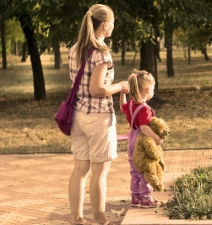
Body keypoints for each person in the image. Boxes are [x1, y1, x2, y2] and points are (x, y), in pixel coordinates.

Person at [67, 4, 129, 225]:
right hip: (98, 118)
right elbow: (97, 89)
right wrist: (120, 86)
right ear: (105, 25)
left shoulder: (75, 49)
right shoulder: (102, 53)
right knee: (100, 171)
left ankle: (76, 219)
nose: (113, 26)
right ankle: (100, 220)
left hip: (77, 116)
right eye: (112, 23)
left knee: (80, 169)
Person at [120, 69, 162, 208]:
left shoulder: (132, 104)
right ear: (147, 89)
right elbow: (144, 128)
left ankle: (135, 197)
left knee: (134, 170)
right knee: (144, 170)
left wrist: (122, 95)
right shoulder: (145, 109)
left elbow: (122, 107)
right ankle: (146, 198)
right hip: (140, 141)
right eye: (153, 89)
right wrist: (156, 138)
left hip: (131, 138)